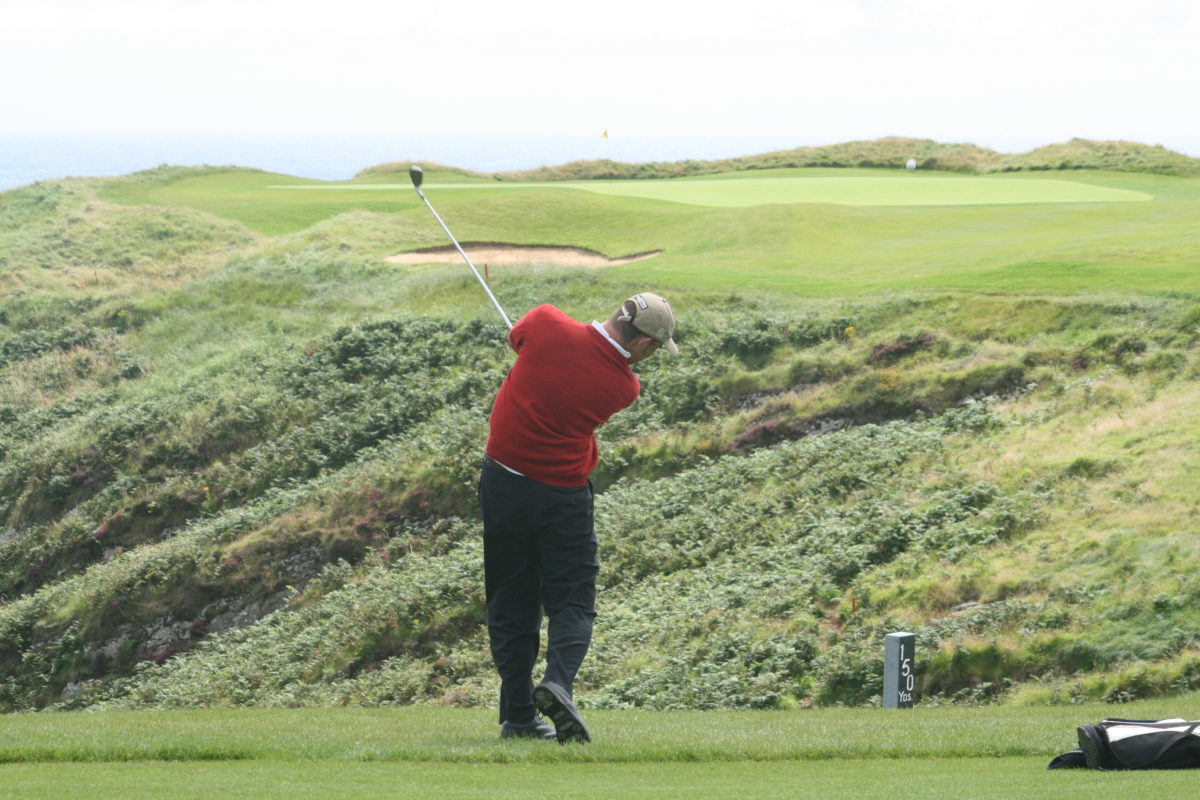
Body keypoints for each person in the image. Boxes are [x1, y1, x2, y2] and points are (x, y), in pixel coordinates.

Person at [479, 292, 678, 742]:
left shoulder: (546, 322)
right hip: (561, 497)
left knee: (511, 600)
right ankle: (558, 684)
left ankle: (518, 717)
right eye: (653, 350)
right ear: (642, 344)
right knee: (573, 600)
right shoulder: (624, 387)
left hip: (503, 486)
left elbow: (519, 338)